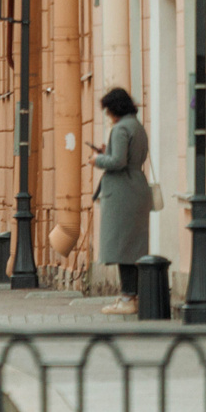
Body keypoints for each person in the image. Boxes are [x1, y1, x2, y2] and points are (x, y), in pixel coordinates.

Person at [91, 87, 153, 303]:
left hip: (121, 193)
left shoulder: (120, 129)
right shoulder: (136, 125)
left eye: (108, 111)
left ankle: (128, 295)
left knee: (122, 246)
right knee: (133, 245)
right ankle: (133, 294)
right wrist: (106, 153)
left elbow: (118, 162)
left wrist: (97, 160)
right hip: (136, 187)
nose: (108, 115)